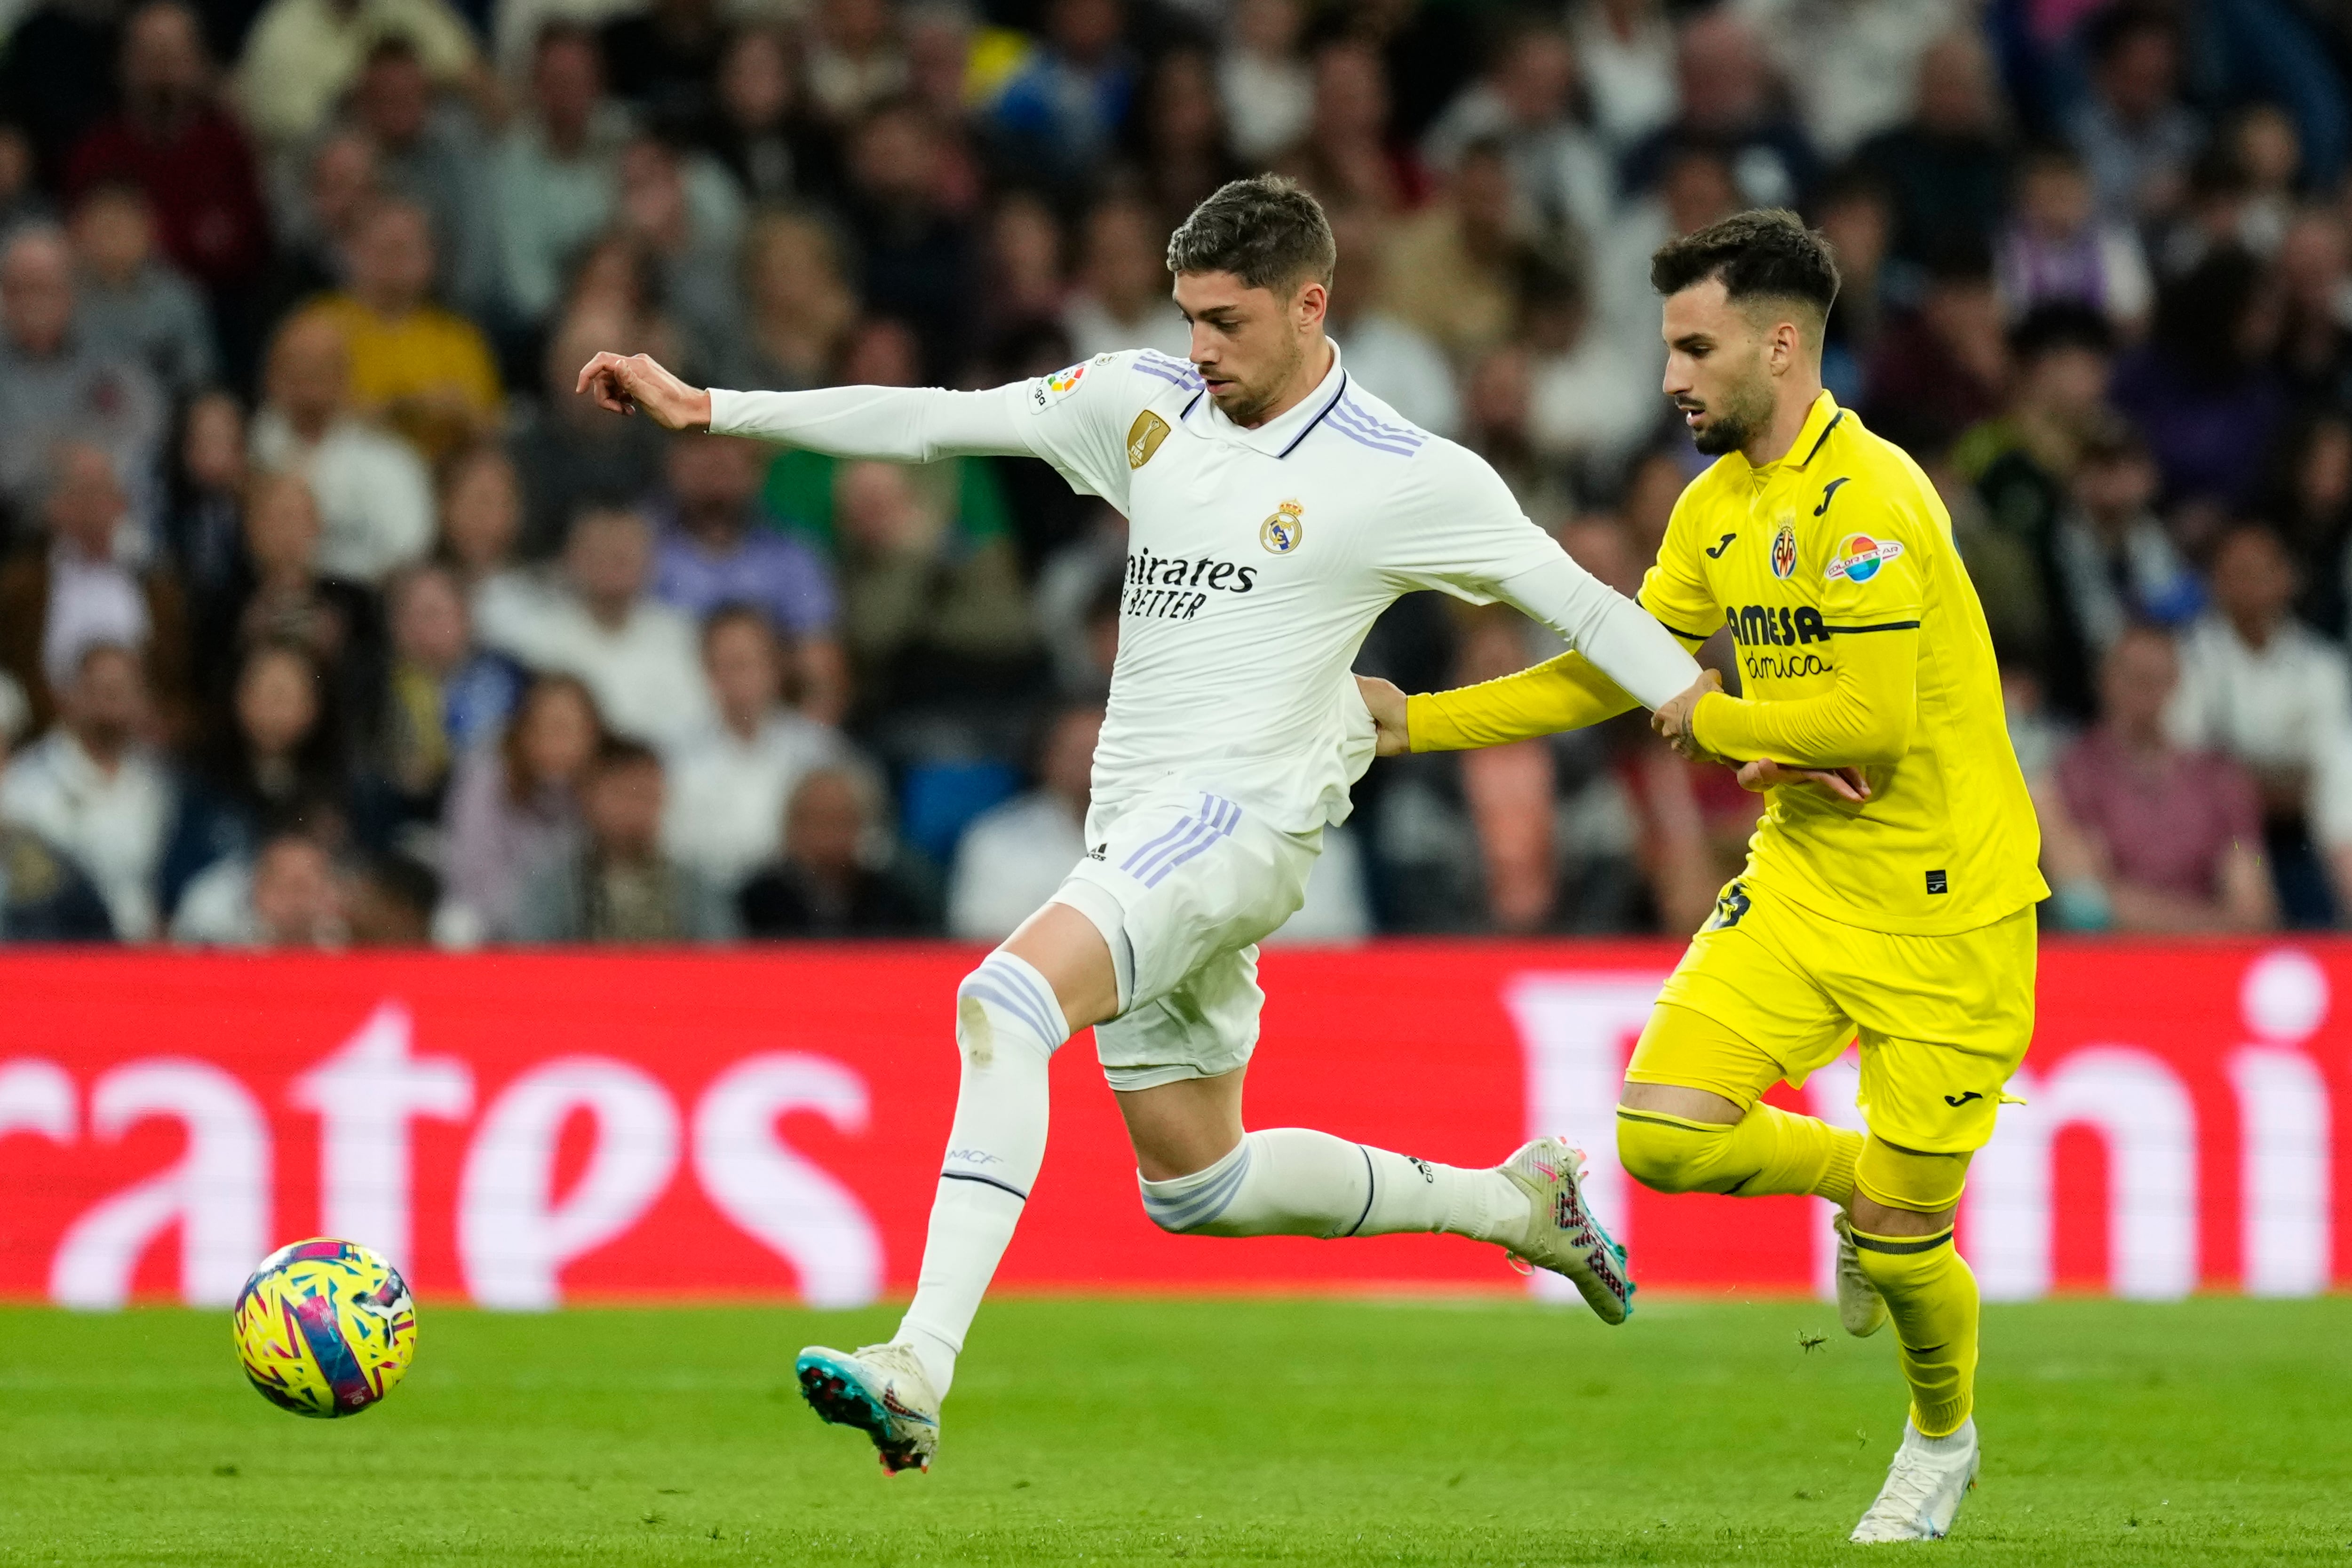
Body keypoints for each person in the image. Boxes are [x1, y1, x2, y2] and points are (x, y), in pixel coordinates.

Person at [578, 173, 1702, 1472]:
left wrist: (1703, 706)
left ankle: (918, 1363)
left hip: (1242, 821)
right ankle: (1514, 1202)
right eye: (1187, 316)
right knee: (1198, 1184)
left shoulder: (1407, 474)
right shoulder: (1143, 404)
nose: (1199, 349)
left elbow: (1589, 604)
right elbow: (937, 422)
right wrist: (714, 406)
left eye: (1225, 322)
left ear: (1310, 305)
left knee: (1004, 1002)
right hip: (1141, 828)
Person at [1361, 210, 2044, 1542]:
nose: (1669, 376)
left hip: (1948, 909)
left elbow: (1871, 724)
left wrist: (1715, 715)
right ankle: (1855, 1176)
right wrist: (1421, 719)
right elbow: (1622, 666)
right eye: (1666, 347)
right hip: (1802, 879)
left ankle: (1939, 1436)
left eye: (1693, 345)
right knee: (1663, 1134)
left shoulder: (1874, 503)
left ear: (1780, 345)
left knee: (1915, 1243)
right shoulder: (1713, 507)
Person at [2052, 624, 2274, 932]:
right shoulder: (2074, 774)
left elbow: (2253, 903)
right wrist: (2217, 926)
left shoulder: (2220, 779)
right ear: (2105, 680)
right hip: (2119, 962)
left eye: (2157, 678)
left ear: (2176, 681)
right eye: (2133, 677)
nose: (2145, 691)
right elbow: (2090, 907)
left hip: (2213, 962)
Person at [476, 503, 717, 751]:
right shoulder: (539, 637)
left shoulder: (682, 636)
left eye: (624, 555)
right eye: (600, 552)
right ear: (571, 559)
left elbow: (695, 729)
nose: (613, 564)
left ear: (651, 563)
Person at [661, 604, 845, 892]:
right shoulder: (675, 755)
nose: (742, 677)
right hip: (713, 899)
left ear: (776, 668)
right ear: (707, 671)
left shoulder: (818, 748)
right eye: (729, 664)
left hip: (794, 903)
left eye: (752, 662)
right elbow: (674, 849)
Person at [0, 642, 174, 939]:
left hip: (146, 958)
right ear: (71, 696)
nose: (112, 699)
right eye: (100, 687)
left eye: (123, 688)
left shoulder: (161, 784)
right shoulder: (24, 788)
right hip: (60, 954)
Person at [248, 310, 436, 584]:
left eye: (321, 369)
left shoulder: (391, 461)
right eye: (296, 369)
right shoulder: (249, 450)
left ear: (345, 376)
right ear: (272, 377)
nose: (307, 385)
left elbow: (411, 547)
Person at [512, 735, 736, 942]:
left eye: (648, 796)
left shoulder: (695, 887)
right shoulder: (554, 887)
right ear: (590, 798)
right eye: (625, 795)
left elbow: (721, 963)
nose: (637, 809)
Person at [440, 671, 602, 940]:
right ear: (522, 731)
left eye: (570, 730)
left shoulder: (606, 784)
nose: (559, 744)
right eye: (547, 728)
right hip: (498, 933)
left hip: (578, 938)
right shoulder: (487, 778)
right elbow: (471, 878)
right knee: (457, 924)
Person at [947, 704, 1100, 941]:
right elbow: (981, 939)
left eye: (1101, 753)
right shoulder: (995, 840)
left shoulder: (1164, 834)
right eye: (1077, 754)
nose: (1090, 767)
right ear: (1047, 759)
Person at [735, 762, 929, 937]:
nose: (829, 835)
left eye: (842, 821)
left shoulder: (891, 902)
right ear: (791, 827)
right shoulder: (757, 902)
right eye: (817, 821)